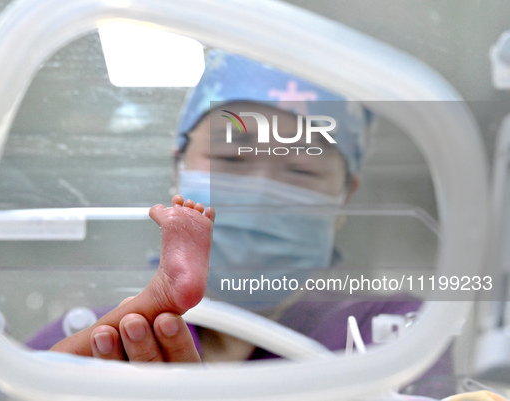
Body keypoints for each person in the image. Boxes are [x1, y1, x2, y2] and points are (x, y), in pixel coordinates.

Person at [44, 50, 452, 397]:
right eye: (231, 160)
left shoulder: (392, 336)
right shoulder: (104, 337)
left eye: (300, 170)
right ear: (177, 167)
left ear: (344, 197)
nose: (259, 195)